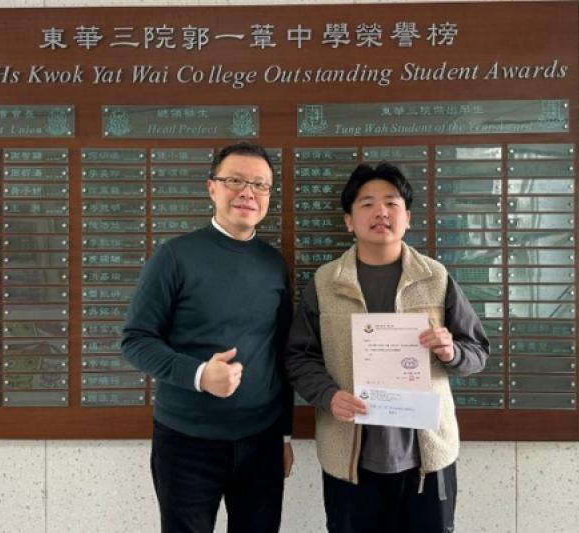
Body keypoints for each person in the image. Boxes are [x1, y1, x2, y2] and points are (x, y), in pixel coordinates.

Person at [285, 162, 489, 533]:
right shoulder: (325, 282)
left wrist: (451, 352)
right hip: (349, 460)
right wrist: (328, 395)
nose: (381, 212)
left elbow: (476, 351)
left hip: (427, 459)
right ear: (349, 220)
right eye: (367, 204)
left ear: (407, 217)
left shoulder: (435, 277)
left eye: (392, 203)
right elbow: (299, 357)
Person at [121, 142, 294, 533]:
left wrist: (284, 435)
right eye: (235, 181)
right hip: (187, 442)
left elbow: (281, 351)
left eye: (260, 185)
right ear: (212, 187)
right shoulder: (174, 256)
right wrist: (199, 374)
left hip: (262, 440)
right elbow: (135, 339)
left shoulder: (273, 264)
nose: (248, 192)